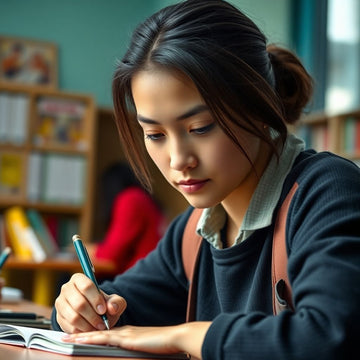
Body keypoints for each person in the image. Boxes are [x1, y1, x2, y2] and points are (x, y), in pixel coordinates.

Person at [52, 1, 360, 359]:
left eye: (200, 128)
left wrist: (186, 336)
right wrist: (77, 309)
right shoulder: (195, 232)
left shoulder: (327, 191)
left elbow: (329, 337)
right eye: (154, 135)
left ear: (259, 108)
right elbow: (118, 311)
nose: (179, 160)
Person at [87, 162, 167, 275]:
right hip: (148, 273)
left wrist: (90, 250)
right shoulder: (143, 198)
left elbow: (110, 255)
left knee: (69, 279)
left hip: (139, 276)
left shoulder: (130, 199)